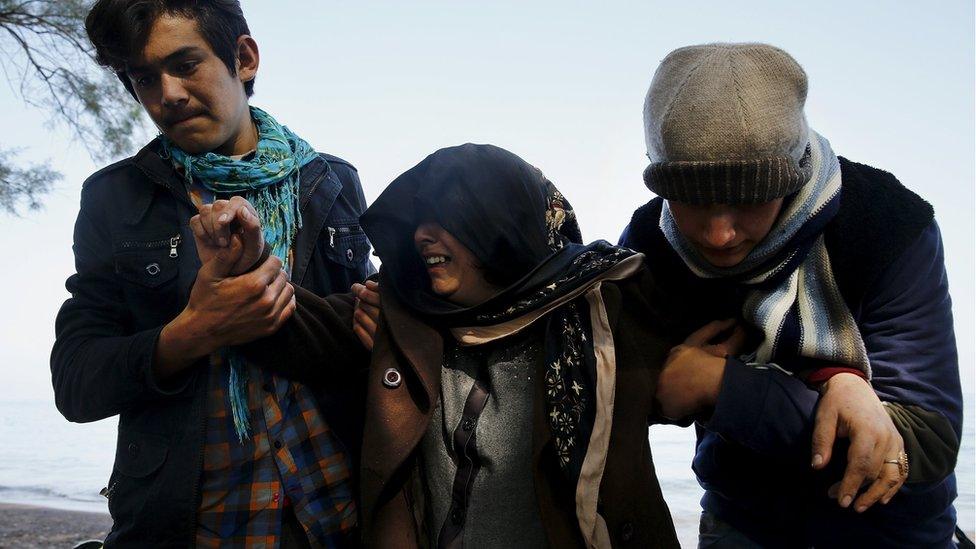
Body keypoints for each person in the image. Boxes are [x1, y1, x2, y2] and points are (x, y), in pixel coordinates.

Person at [200, 143, 697, 547]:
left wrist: (720, 379)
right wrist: (249, 262)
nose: (421, 236)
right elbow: (300, 330)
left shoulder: (603, 309)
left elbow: (708, 346)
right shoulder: (399, 311)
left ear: (498, 222)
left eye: (446, 219)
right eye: (419, 222)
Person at [50, 1, 373, 546]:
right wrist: (194, 331)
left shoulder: (330, 182)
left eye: (185, 64)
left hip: (339, 513)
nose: (167, 94)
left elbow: (357, 339)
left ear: (243, 59)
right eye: (144, 77)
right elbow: (77, 382)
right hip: (193, 524)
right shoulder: (117, 199)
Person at [620, 43, 963, 547]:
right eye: (692, 200)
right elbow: (629, 389)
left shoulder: (887, 225)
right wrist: (835, 387)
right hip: (741, 525)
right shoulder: (652, 243)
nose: (719, 234)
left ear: (795, 170)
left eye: (747, 200)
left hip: (894, 531)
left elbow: (925, 441)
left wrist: (721, 385)